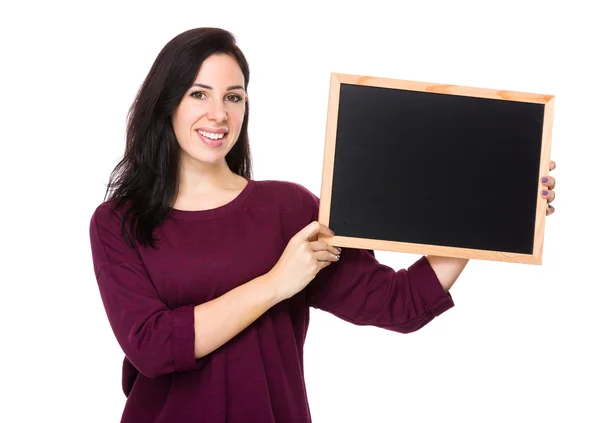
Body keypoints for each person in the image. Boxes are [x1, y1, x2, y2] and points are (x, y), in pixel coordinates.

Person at [89, 27, 557, 423]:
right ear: (165, 103)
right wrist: (276, 284)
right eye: (198, 94)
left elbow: (398, 304)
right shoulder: (118, 223)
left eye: (234, 97)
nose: (219, 114)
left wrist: (491, 210)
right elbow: (151, 347)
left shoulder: (288, 209)